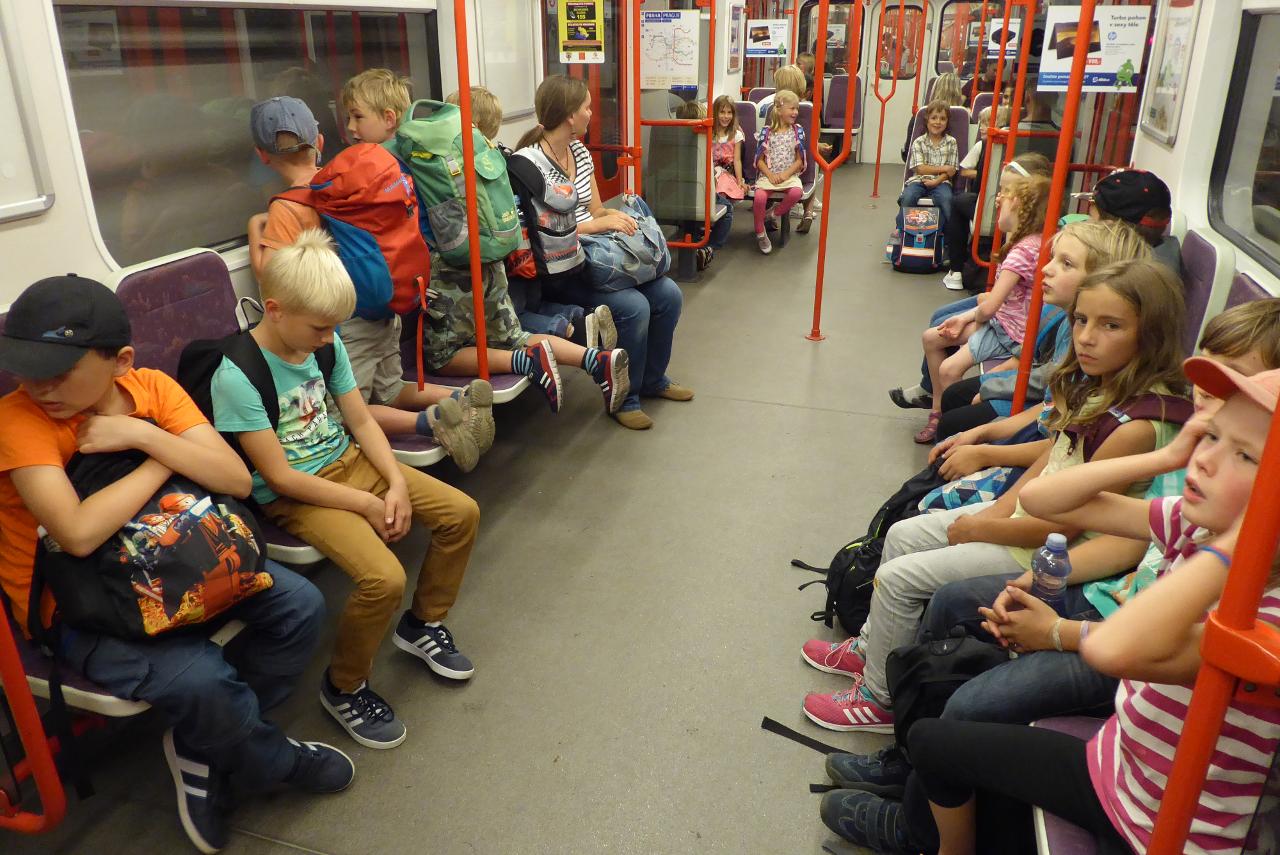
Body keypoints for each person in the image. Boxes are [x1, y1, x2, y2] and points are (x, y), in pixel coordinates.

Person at [816, 306, 1280, 851]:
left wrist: (1055, 631)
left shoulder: (1262, 600)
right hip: (1121, 762)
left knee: (963, 714)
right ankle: (918, 788)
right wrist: (1168, 457)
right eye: (1211, 436)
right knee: (943, 659)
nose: (1203, 459)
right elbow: (1044, 498)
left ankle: (919, 829)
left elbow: (1114, 646)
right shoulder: (1195, 518)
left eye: (1244, 452)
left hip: (1161, 815)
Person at [0, 275, 352, 854]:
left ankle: (204, 744)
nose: (39, 385)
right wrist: (163, 457)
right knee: (202, 679)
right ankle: (270, 760)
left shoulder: (151, 388)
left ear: (120, 362)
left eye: (58, 371)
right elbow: (78, 534)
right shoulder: (19, 420)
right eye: (25, 370)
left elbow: (236, 479)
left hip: (179, 555)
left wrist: (142, 436)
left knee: (302, 607)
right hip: (80, 603)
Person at [802, 258, 1192, 735]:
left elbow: (1068, 524)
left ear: (1149, 335)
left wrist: (984, 529)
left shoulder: (1136, 427)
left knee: (900, 579)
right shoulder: (1101, 386)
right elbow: (1054, 456)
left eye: (1110, 326)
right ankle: (871, 649)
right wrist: (995, 512)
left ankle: (880, 699)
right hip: (1023, 522)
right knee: (903, 535)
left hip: (1048, 549)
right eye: (1081, 320)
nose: (1087, 338)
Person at [211, 230, 481, 752]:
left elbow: (359, 420)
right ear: (275, 310)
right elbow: (281, 478)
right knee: (383, 578)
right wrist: (367, 503)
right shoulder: (237, 376)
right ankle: (344, 686)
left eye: (333, 327)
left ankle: (423, 623)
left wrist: (396, 481)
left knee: (460, 513)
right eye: (319, 328)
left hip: (348, 460)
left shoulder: (323, 343)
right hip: (299, 494)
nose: (327, 338)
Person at [340, 75, 629, 419]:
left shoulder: (393, 159)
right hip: (489, 255)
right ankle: (595, 360)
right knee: (514, 336)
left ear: (389, 117)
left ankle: (527, 363)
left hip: (449, 269)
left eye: (358, 117)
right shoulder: (472, 148)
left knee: (442, 356)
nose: (351, 127)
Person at [245, 93, 491, 471]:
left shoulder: (287, 207)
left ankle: (431, 421)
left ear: (262, 155)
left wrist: (254, 228)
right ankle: (462, 399)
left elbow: (272, 276)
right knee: (389, 390)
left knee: (345, 411)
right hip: (384, 304)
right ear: (320, 142)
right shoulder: (346, 186)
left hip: (343, 325)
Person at [518, 74, 692, 431]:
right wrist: (595, 227)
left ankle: (652, 379)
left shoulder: (580, 153)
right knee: (634, 307)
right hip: (562, 267)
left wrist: (619, 219)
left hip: (599, 255)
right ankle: (624, 398)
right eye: (586, 107)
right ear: (570, 115)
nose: (591, 113)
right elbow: (537, 232)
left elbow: (595, 209)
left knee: (669, 295)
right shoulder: (528, 165)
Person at [932, 220, 1152, 442]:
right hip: (1042, 394)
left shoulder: (1085, 335)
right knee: (953, 396)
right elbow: (1037, 362)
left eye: (1066, 263)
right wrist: (995, 380)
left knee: (953, 421)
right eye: (1053, 258)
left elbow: (1051, 382)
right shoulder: (1061, 314)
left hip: (1043, 407)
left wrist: (992, 388)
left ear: (1100, 277)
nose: (1046, 268)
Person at [445, 86, 616, 350]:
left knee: (508, 319)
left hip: (507, 262)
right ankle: (579, 316)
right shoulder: (500, 160)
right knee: (530, 306)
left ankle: (570, 328)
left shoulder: (465, 168)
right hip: (529, 257)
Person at [892, 153, 1053, 412]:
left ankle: (936, 396)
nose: (998, 197)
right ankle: (933, 392)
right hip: (1005, 314)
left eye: (1006, 191)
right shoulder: (1026, 236)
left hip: (1008, 327)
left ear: (1024, 202)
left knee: (940, 326)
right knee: (939, 318)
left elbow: (997, 301)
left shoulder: (1024, 248)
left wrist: (975, 314)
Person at [939, 104, 1009, 291]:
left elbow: (966, 172)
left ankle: (956, 269)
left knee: (958, 202)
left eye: (988, 123)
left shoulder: (984, 145)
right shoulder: (1019, 142)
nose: (983, 128)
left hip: (988, 205)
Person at [893, 100, 959, 248]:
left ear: (947, 122)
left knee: (947, 200)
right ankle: (901, 231)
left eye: (942, 119)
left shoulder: (951, 142)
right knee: (908, 197)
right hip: (919, 180)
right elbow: (920, 169)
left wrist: (937, 180)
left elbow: (951, 171)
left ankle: (949, 240)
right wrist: (944, 168)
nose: (938, 122)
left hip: (942, 182)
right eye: (934, 118)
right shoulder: (919, 142)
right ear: (927, 119)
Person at [1084, 168, 1179, 271]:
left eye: (1092, 221)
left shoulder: (1124, 275)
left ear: (1113, 229)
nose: (1087, 223)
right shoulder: (1165, 257)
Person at [752, 90, 807, 255]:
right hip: (768, 176)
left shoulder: (797, 131)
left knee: (796, 192)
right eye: (792, 108)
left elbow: (799, 160)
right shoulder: (767, 132)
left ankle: (772, 213)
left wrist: (785, 174)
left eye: (797, 109)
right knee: (759, 197)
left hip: (788, 176)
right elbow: (759, 160)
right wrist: (770, 175)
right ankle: (760, 233)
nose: (795, 112)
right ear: (780, 110)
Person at [696, 94, 748, 269]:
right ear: (715, 113)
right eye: (722, 112)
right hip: (710, 171)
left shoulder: (736, 135)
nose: (726, 116)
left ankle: (711, 233)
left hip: (726, 172)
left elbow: (737, 160)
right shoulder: (709, 133)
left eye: (729, 113)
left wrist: (740, 180)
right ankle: (706, 230)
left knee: (721, 190)